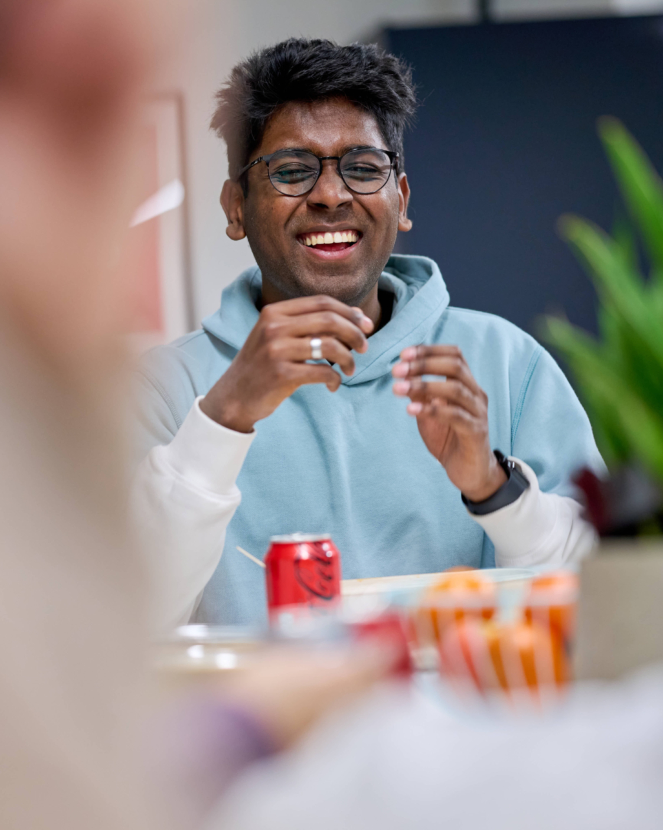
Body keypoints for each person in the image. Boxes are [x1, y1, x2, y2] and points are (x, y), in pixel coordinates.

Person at [133, 38, 603, 628]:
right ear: (236, 208)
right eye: (292, 171)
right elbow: (116, 623)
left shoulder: (509, 365)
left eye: (362, 168)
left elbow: (607, 602)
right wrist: (222, 420)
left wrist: (493, 489)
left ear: (400, 200)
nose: (331, 196)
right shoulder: (162, 389)